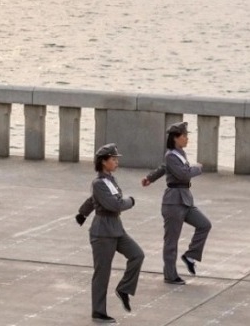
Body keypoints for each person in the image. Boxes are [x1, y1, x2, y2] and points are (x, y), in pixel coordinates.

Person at [141, 122, 211, 284]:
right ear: (175, 138)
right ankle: (170, 275)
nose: (187, 139)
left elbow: (163, 168)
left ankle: (191, 256)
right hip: (173, 202)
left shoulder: (179, 154)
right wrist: (198, 168)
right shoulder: (171, 155)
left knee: (204, 225)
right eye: (184, 136)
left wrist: (149, 178)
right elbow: (182, 174)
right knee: (171, 241)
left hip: (185, 199)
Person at [87, 143, 144, 323]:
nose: (116, 162)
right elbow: (115, 204)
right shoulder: (98, 184)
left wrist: (82, 213)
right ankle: (98, 311)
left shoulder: (110, 180)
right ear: (104, 162)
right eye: (113, 159)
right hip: (103, 232)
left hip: (116, 228)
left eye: (116, 159)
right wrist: (131, 201)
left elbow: (108, 200)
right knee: (102, 273)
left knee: (137, 255)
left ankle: (124, 289)